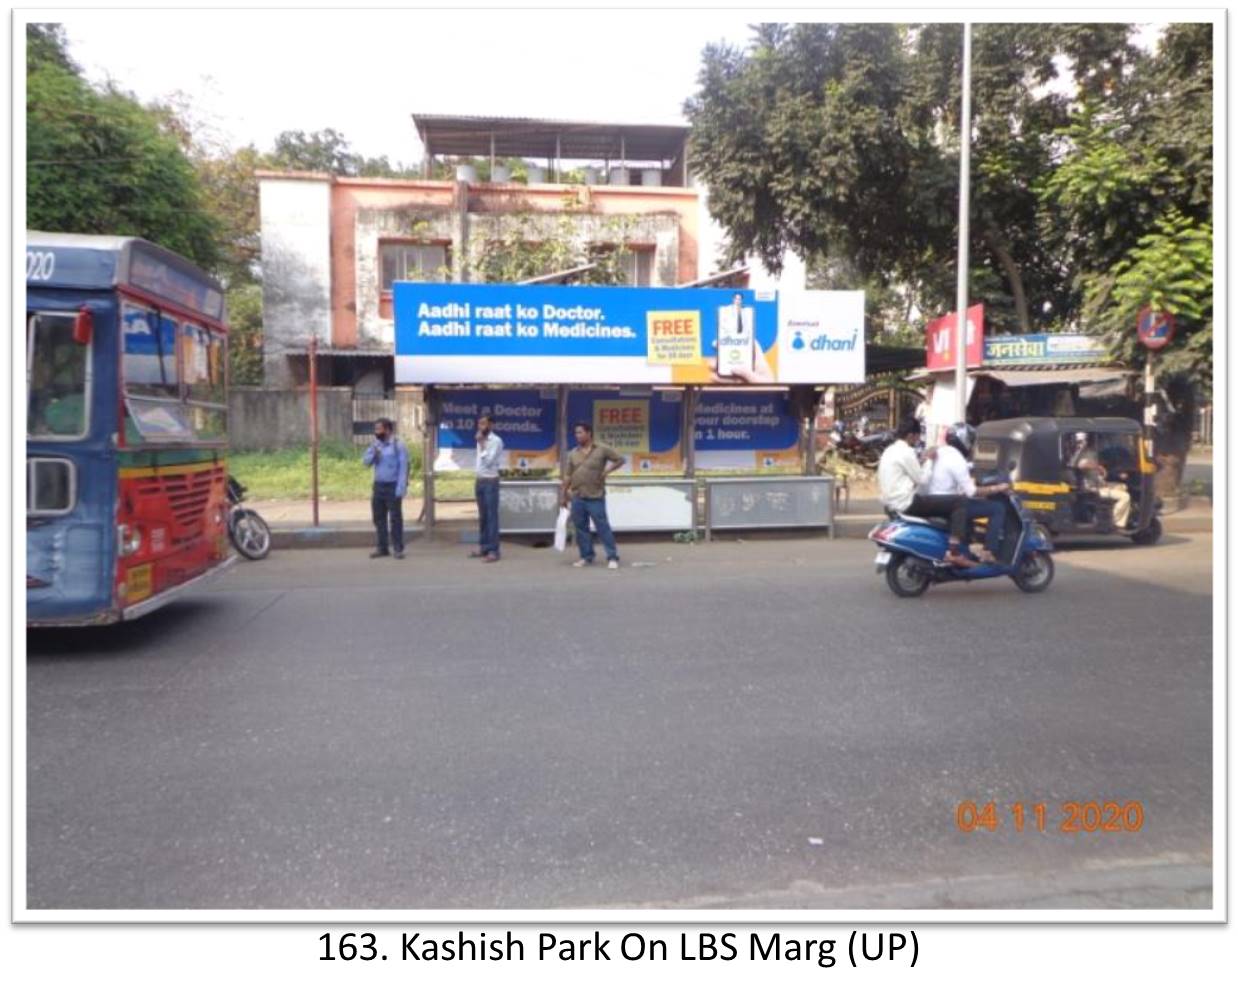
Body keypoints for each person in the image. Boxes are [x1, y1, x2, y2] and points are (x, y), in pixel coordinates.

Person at [877, 417, 972, 567]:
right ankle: (954, 553)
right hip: (907, 502)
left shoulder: (890, 450)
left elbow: (910, 469)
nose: (918, 440)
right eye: (917, 436)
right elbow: (922, 479)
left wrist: (922, 459)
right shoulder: (906, 452)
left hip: (891, 502)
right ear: (910, 436)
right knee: (959, 502)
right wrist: (929, 459)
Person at [923, 423, 1011, 564]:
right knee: (997, 508)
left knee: (969, 505)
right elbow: (972, 491)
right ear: (964, 441)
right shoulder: (957, 459)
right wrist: (998, 488)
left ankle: (966, 547)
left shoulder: (941, 451)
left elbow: (961, 473)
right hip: (949, 506)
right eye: (971, 441)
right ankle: (988, 551)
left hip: (935, 501)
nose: (971, 446)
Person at [561, 421, 625, 569]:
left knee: (603, 527)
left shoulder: (602, 449)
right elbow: (567, 475)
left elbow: (620, 460)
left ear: (589, 433)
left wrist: (607, 471)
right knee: (581, 529)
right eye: (576, 433)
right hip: (577, 496)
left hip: (595, 496)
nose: (577, 436)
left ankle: (612, 557)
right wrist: (563, 495)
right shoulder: (573, 453)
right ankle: (586, 556)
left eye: (580, 432)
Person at [362, 418, 409, 559]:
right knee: (379, 518)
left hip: (393, 485)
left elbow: (403, 468)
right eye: (375, 429)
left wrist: (401, 487)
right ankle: (382, 548)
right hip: (378, 486)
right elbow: (365, 462)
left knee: (395, 518)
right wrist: (374, 454)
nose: (377, 432)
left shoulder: (398, 445)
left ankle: (397, 548)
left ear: (387, 430)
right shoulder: (375, 445)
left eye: (379, 429)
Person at [1070, 432, 1131, 528]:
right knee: (1125, 497)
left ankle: (1116, 515)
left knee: (1124, 487)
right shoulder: (1084, 453)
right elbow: (1081, 465)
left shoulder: (1091, 453)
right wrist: (1097, 467)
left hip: (1099, 484)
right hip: (1093, 489)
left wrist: (1110, 472)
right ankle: (1114, 522)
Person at [471, 412, 504, 563]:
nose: (481, 426)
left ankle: (493, 551)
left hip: (491, 482)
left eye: (484, 423)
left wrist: (482, 443)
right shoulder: (480, 440)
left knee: (491, 517)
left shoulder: (495, 441)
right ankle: (483, 546)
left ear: (491, 425)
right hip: (480, 481)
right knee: (483, 516)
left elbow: (489, 461)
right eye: (479, 424)